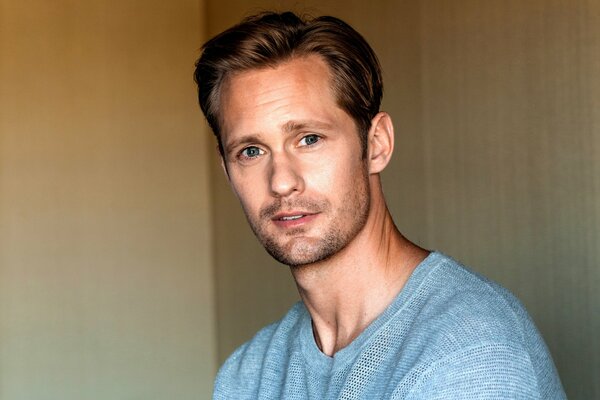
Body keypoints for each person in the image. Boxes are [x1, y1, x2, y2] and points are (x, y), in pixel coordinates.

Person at [194, 11, 566, 400]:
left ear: (377, 145)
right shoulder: (248, 374)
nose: (282, 182)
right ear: (228, 171)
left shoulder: (471, 355)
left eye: (309, 139)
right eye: (251, 151)